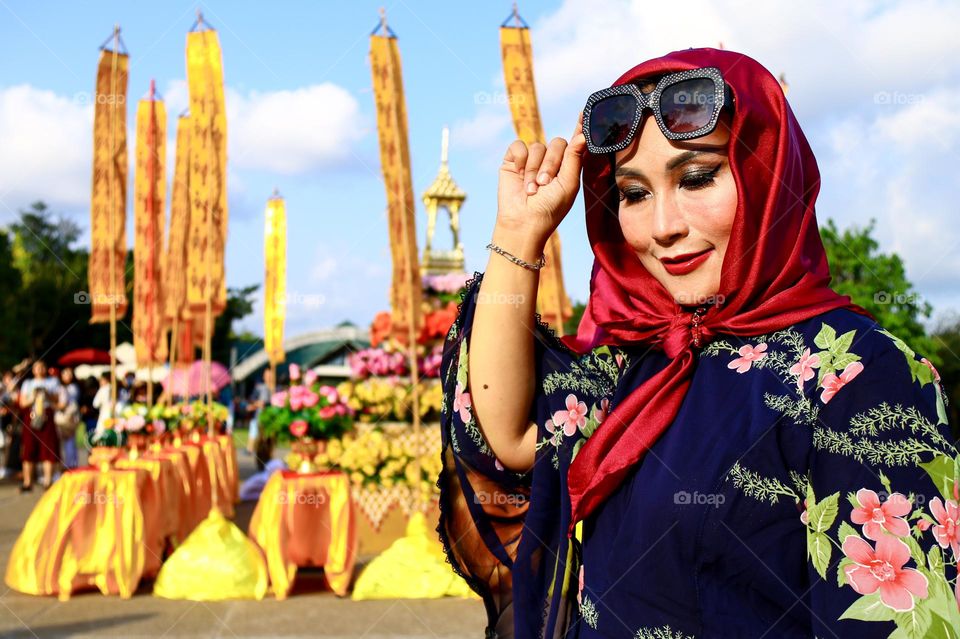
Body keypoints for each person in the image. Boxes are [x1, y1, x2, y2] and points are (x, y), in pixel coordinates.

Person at [438, 48, 959, 638]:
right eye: (633, 193)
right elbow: (505, 437)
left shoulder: (860, 373)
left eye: (696, 177)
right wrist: (519, 231)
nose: (664, 226)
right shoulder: (642, 364)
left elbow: (903, 624)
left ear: (766, 171)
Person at [18, 359, 63, 491]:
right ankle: (28, 482)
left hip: (47, 415)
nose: (40, 370)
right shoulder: (28, 383)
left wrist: (46, 394)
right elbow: (22, 403)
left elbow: (58, 400)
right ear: (33, 370)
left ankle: (47, 481)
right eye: (37, 367)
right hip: (31, 415)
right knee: (29, 449)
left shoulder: (53, 382)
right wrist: (33, 396)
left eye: (42, 367)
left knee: (48, 449)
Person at [56, 367, 81, 469]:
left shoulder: (73, 388)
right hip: (62, 418)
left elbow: (64, 404)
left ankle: (70, 464)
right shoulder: (61, 387)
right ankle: (67, 463)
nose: (68, 376)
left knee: (70, 442)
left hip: (69, 417)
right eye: (66, 374)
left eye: (70, 374)